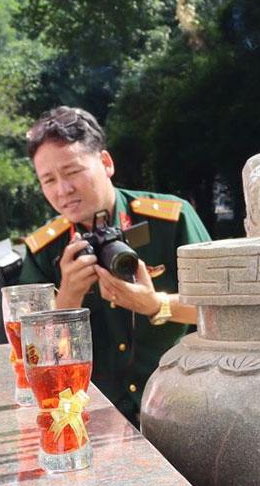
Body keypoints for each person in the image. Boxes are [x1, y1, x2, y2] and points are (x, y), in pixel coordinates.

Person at [17, 106, 211, 425]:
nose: (63, 190)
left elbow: (221, 311)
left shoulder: (171, 219)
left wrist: (156, 305)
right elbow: (31, 357)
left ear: (106, 163)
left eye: (73, 171)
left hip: (181, 405)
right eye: (48, 180)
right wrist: (67, 300)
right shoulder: (44, 250)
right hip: (92, 414)